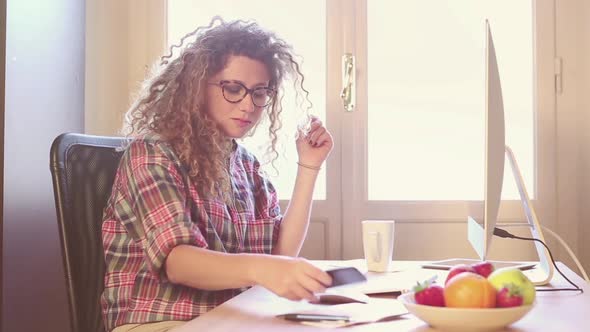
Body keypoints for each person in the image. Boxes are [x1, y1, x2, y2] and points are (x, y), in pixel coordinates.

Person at [101, 17, 334, 332]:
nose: (248, 105)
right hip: (162, 322)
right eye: (234, 89)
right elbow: (179, 262)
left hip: (231, 320)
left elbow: (281, 256)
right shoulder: (153, 153)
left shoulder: (245, 165)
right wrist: (262, 269)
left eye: (260, 93)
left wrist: (309, 166)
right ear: (197, 86)